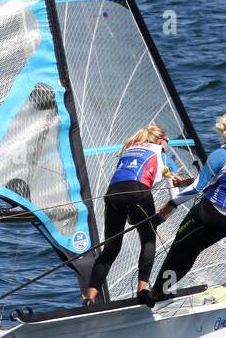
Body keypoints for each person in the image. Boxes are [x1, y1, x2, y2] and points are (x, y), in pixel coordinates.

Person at [151, 111, 226, 298]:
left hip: (207, 214)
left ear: (223, 133)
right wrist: (186, 181)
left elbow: (197, 188)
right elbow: (225, 178)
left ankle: (156, 292)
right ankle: (162, 291)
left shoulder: (222, 153)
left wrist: (170, 205)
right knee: (192, 252)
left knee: (179, 248)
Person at [83, 125, 193, 307]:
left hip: (112, 195)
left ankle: (89, 297)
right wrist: (161, 217)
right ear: (161, 140)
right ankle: (143, 289)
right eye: (168, 141)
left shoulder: (129, 149)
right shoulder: (163, 156)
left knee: (111, 249)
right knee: (148, 240)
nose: (168, 145)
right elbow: (175, 196)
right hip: (138, 192)